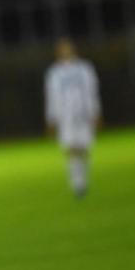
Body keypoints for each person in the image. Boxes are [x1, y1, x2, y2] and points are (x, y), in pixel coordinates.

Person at [44, 38, 102, 198]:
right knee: (70, 149)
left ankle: (83, 180)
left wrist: (95, 113)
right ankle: (77, 184)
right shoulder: (54, 73)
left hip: (82, 114)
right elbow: (52, 97)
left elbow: (92, 91)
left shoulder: (84, 69)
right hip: (65, 118)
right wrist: (51, 119)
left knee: (83, 148)